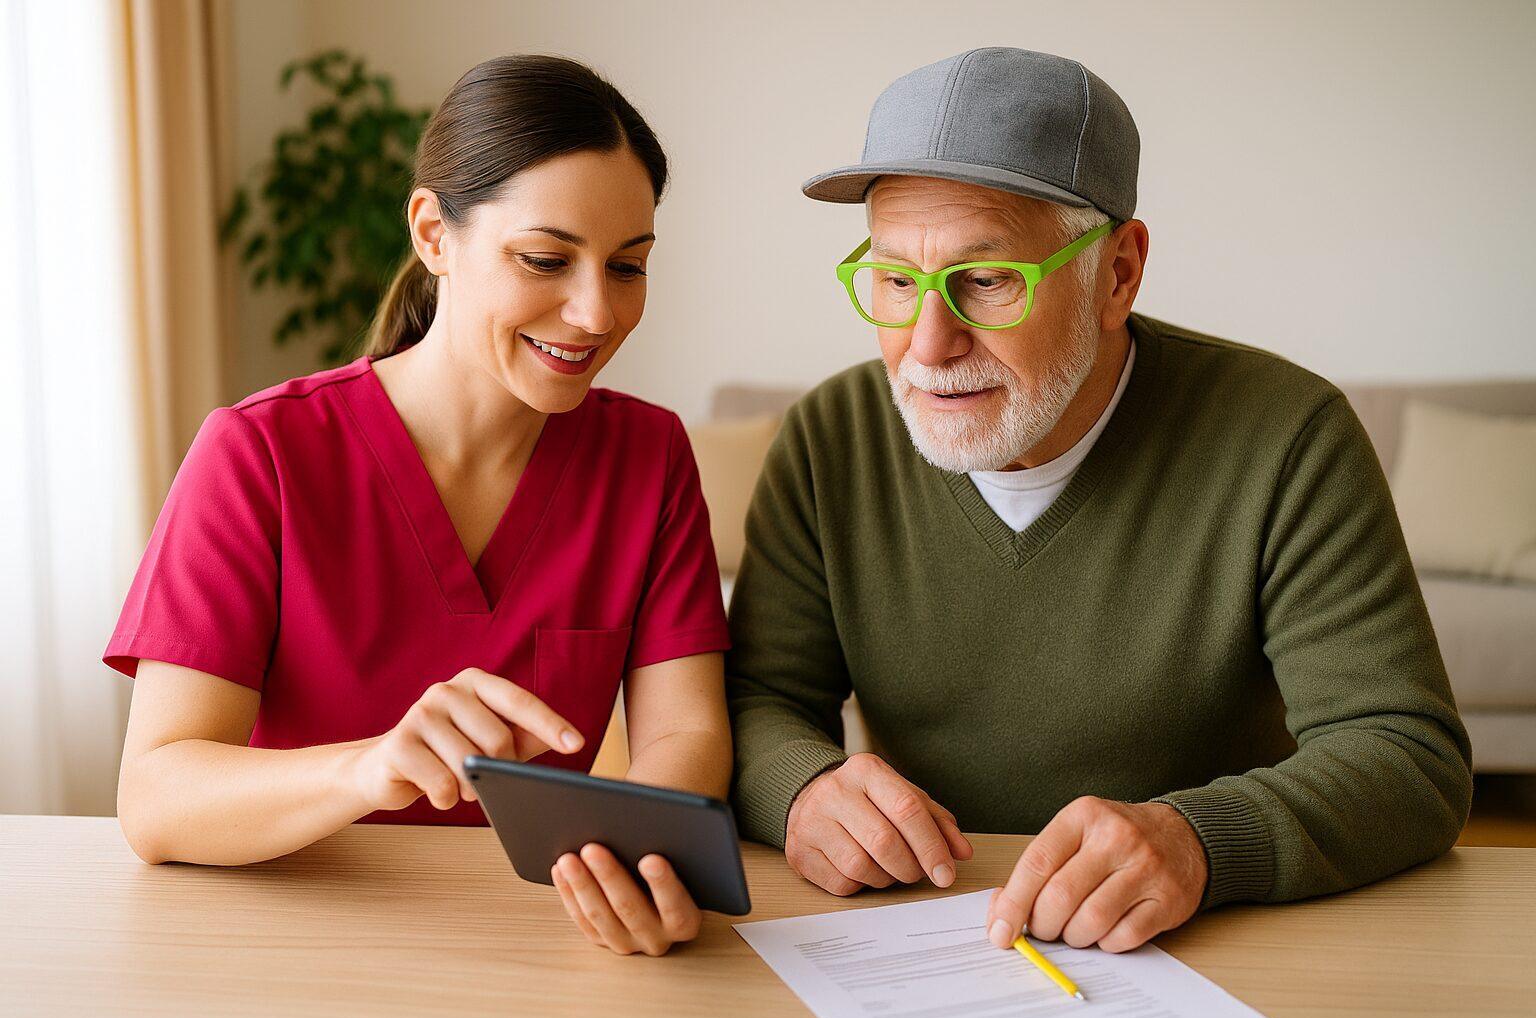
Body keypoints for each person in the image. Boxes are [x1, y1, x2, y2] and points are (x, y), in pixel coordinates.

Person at [726, 47, 1472, 954]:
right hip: (926, 941)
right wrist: (801, 787)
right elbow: (757, 699)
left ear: (1117, 272)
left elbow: (1408, 754)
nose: (928, 344)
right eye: (894, 281)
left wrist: (1202, 841)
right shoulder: (828, 438)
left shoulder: (1287, 434)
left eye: (987, 279)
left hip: (1211, 944)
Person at [109, 55, 726, 957]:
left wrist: (640, 856)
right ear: (434, 233)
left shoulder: (649, 456)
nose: (596, 314)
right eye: (546, 260)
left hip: (537, 943)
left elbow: (688, 729)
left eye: (628, 267)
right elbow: (156, 797)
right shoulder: (260, 454)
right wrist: (368, 767)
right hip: (295, 938)